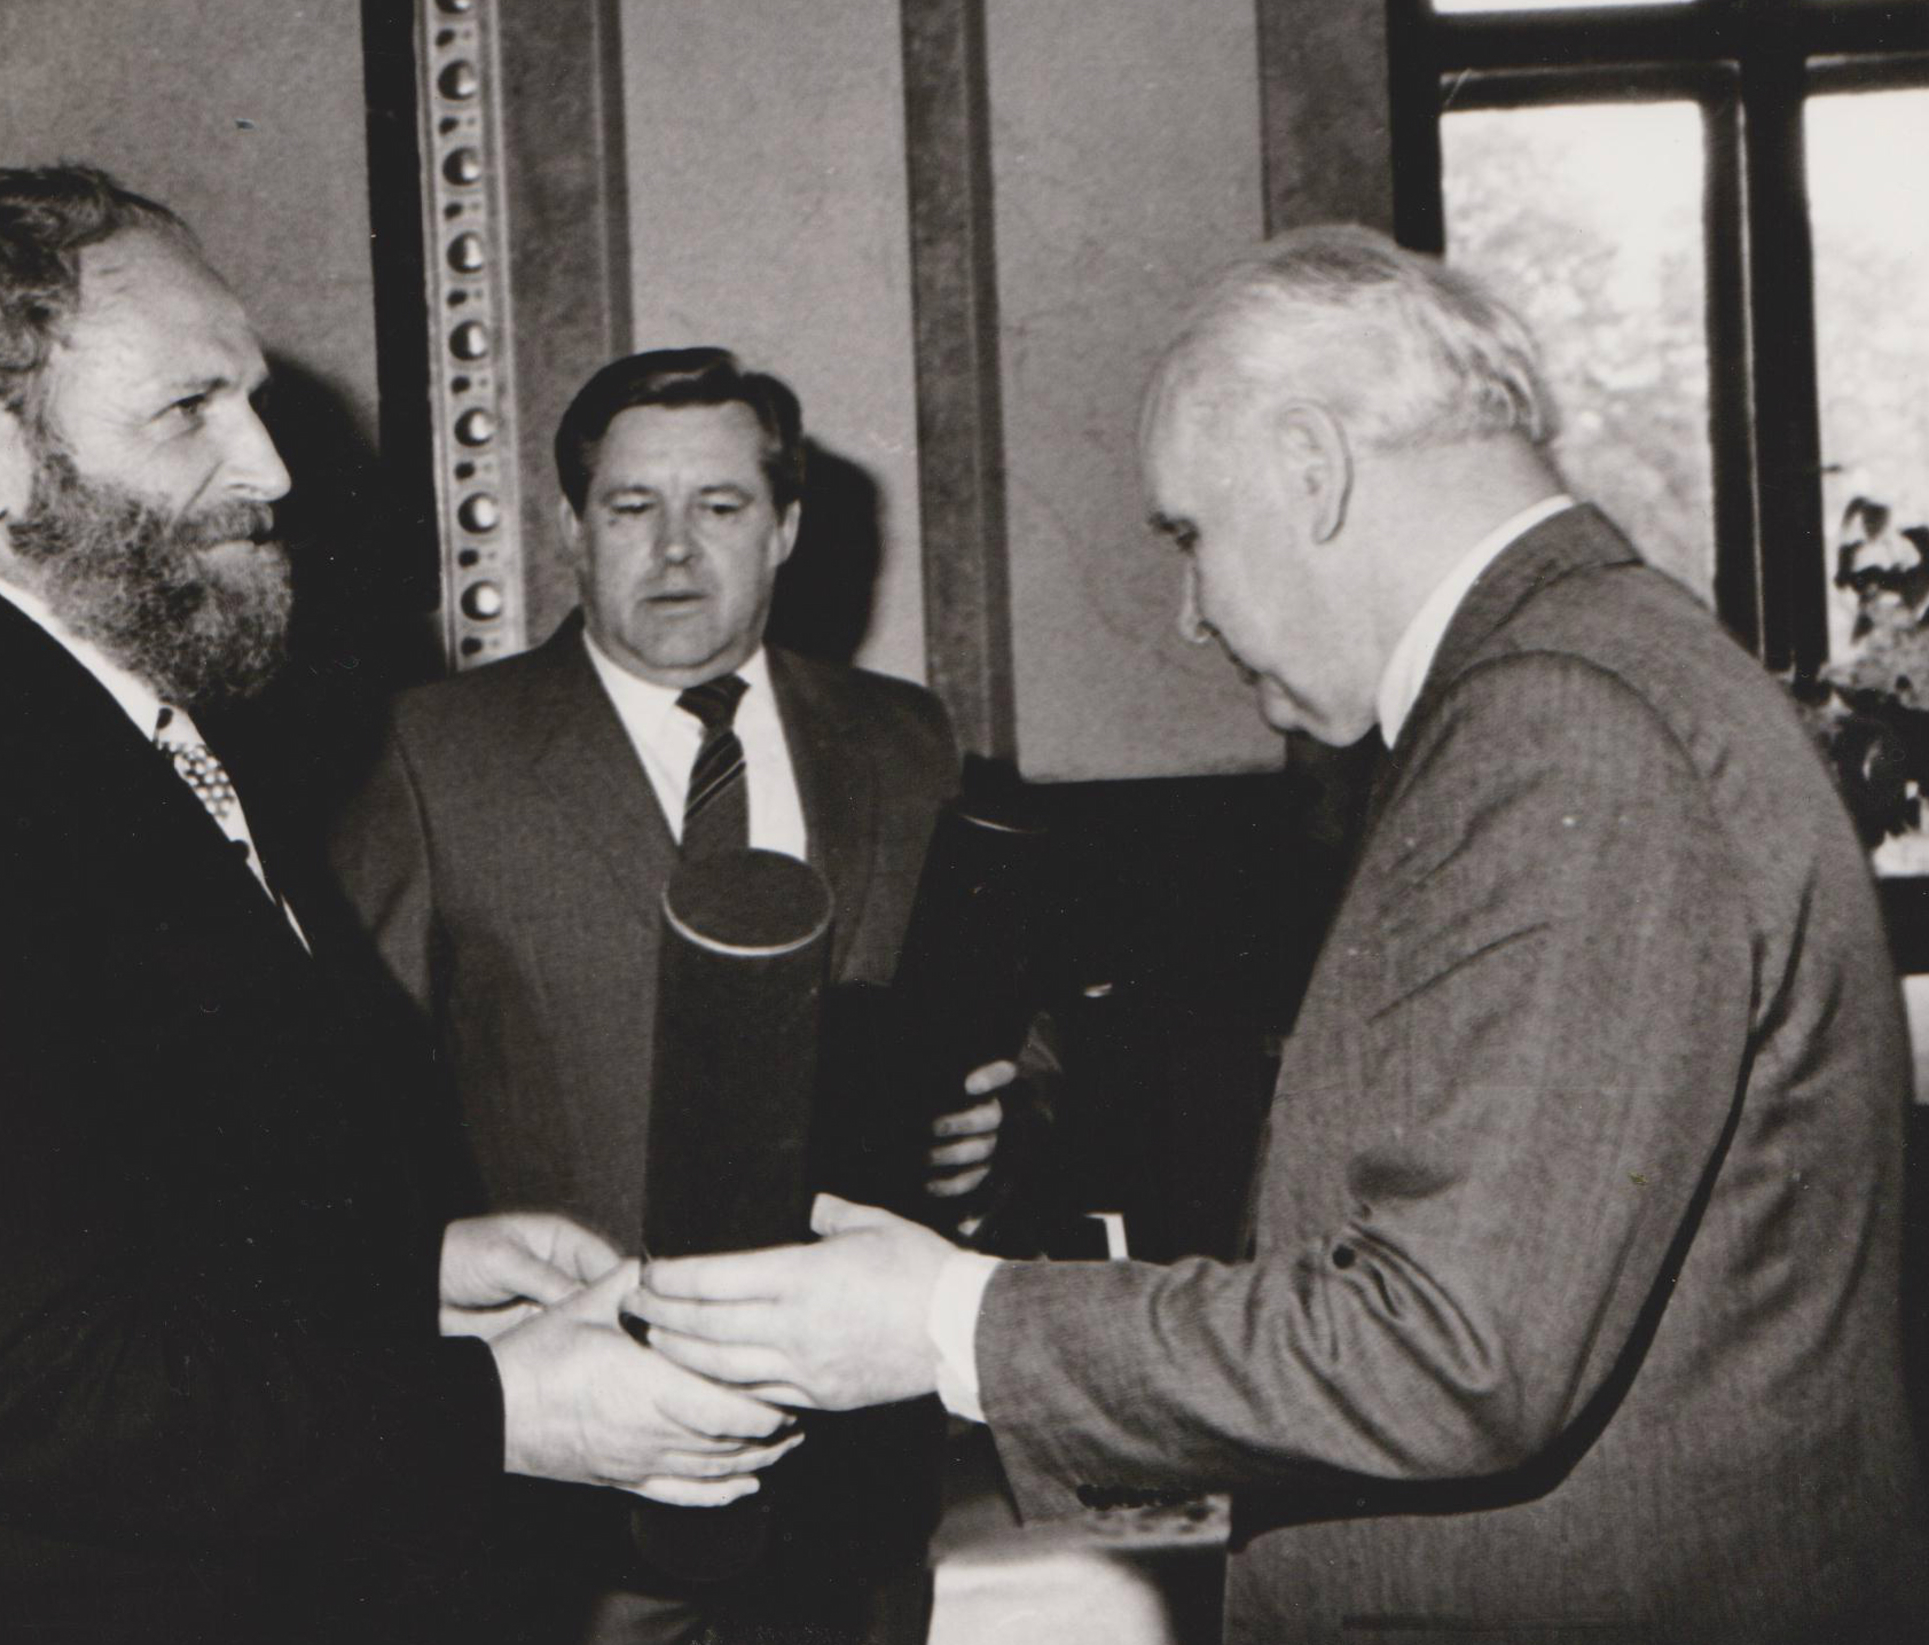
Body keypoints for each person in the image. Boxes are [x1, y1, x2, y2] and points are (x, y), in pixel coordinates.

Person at [631, 226, 1929, 1642]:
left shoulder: (1563, 722)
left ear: (1312, 469)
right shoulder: (1608, 667)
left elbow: (1457, 1352)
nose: (1190, 615)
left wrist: (949, 1322)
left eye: (1190, 535)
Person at [0, 165, 796, 1645]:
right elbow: (33, 1386)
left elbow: (136, 1191)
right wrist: (503, 1407)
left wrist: (411, 1278)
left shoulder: (86, 726)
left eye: (250, 400)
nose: (267, 465)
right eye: (187, 410)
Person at [327, 347, 1023, 1642]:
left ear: (787, 527)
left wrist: (1000, 1115)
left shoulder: (902, 736)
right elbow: (330, 1089)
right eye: (633, 506)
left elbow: (996, 1018)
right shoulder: (435, 751)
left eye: (721, 505)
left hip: (858, 1473)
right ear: (571, 527)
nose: (676, 550)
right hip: (571, 1488)